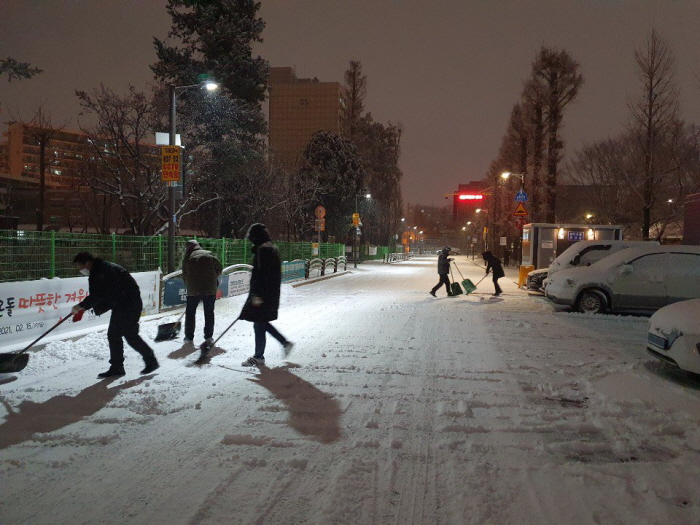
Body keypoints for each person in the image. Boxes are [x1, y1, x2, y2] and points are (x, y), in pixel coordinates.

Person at [71, 252, 159, 378]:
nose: (80, 270)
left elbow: (98, 294)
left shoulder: (102, 271)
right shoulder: (101, 269)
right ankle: (120, 366)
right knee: (119, 335)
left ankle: (144, 361)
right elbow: (104, 294)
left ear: (88, 263)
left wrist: (81, 306)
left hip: (128, 304)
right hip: (125, 303)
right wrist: (83, 307)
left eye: (80, 266)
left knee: (124, 336)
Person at [239, 223, 294, 367]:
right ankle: (284, 343)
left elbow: (262, 276)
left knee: (259, 323)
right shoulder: (270, 249)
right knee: (261, 322)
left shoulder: (264, 251)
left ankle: (259, 356)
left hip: (263, 295)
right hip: (269, 294)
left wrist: (257, 295)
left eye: (252, 238)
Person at [181, 240, 223, 350]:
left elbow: (184, 274)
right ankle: (209, 337)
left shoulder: (187, 258)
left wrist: (190, 286)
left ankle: (188, 337)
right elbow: (219, 268)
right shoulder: (209, 254)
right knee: (209, 313)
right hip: (209, 288)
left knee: (190, 313)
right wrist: (212, 277)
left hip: (193, 290)